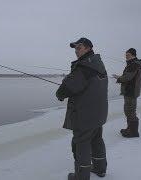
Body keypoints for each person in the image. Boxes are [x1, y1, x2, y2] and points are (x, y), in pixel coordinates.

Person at [56, 37, 108, 180]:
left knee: (81, 144)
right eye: (75, 48)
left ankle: (81, 176)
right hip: (98, 113)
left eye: (79, 47)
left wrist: (59, 93)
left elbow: (67, 88)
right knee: (96, 140)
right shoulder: (98, 63)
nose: (76, 51)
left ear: (88, 48)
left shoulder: (85, 67)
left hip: (85, 115)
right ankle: (100, 168)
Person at [112, 48, 141, 138]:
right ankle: (130, 128)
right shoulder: (133, 64)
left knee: (130, 111)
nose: (126, 56)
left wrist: (118, 77)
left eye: (128, 55)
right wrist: (120, 77)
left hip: (131, 91)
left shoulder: (133, 65)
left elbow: (127, 78)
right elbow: (128, 76)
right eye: (126, 55)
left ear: (133, 55)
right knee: (128, 111)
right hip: (130, 91)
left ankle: (133, 132)